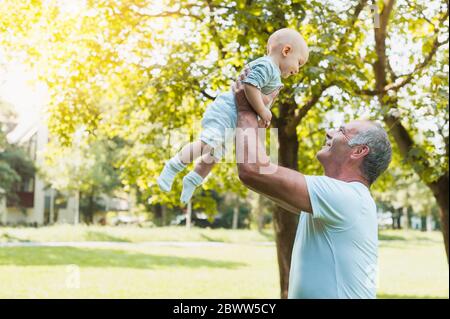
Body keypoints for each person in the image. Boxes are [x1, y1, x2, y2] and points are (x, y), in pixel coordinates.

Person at [232, 76, 392, 298]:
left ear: (358, 152)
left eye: (341, 131)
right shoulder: (335, 199)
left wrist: (245, 110)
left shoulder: (346, 198)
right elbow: (259, 181)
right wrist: (259, 117)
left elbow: (253, 170)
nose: (329, 133)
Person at [157, 28, 309, 204]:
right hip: (226, 111)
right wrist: (262, 110)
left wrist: (261, 118)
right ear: (286, 51)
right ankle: (173, 166)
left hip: (234, 118)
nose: (297, 70)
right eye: (299, 62)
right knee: (207, 144)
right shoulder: (267, 66)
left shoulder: (274, 74)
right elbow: (250, 86)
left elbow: (260, 100)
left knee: (215, 154)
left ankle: (193, 179)